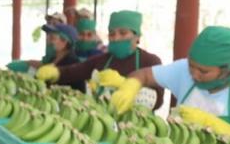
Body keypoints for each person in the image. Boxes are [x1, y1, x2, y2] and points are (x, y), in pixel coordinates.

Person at [111, 26, 230, 144]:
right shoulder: (183, 70)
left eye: (203, 71)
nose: (194, 74)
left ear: (227, 68)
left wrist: (212, 124)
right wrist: (130, 86)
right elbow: (144, 75)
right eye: (191, 66)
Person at [36, 10, 164, 109]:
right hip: (104, 124)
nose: (116, 38)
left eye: (123, 33)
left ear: (137, 36)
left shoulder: (151, 62)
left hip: (137, 128)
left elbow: (158, 101)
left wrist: (124, 84)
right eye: (112, 33)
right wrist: (56, 72)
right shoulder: (102, 60)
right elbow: (74, 71)